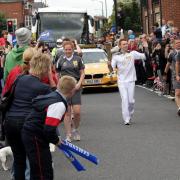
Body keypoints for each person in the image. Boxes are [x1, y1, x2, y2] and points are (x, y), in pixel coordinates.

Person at [4, 52, 53, 180]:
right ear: (45, 69)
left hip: (10, 122)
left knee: (19, 160)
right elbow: (51, 108)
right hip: (27, 125)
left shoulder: (19, 78)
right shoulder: (44, 88)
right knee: (34, 162)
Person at [22, 75, 76, 180]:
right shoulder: (59, 103)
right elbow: (49, 129)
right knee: (43, 170)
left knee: (39, 168)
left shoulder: (53, 95)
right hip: (35, 135)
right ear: (72, 91)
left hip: (32, 133)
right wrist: (57, 141)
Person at [111, 39, 146, 125]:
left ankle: (129, 114)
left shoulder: (132, 53)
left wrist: (146, 48)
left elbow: (144, 56)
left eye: (126, 44)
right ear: (119, 46)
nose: (126, 45)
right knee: (125, 99)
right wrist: (110, 65)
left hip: (131, 80)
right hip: (121, 81)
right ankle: (126, 119)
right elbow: (112, 67)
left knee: (131, 101)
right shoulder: (115, 56)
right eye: (124, 44)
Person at [56, 41, 85, 141]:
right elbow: (57, 74)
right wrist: (58, 85)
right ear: (63, 49)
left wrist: (78, 84)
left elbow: (82, 73)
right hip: (65, 89)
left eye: (70, 49)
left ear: (73, 49)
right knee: (67, 113)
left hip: (76, 87)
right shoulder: (60, 59)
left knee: (77, 112)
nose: (68, 51)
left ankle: (75, 129)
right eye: (66, 49)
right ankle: (68, 134)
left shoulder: (78, 59)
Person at [164, 39, 180, 116]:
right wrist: (165, 73)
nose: (179, 44)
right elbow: (168, 64)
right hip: (175, 75)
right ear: (173, 45)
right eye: (177, 43)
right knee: (177, 92)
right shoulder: (172, 54)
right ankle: (179, 108)